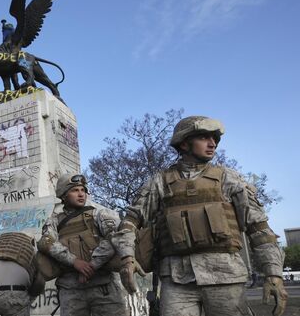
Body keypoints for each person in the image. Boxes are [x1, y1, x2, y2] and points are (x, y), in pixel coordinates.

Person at [114, 116, 288, 316]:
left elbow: (259, 228)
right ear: (185, 143)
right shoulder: (160, 182)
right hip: (176, 280)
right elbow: (131, 221)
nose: (212, 143)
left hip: (225, 277)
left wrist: (274, 273)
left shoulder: (228, 178)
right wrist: (127, 257)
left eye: (214, 139)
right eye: (204, 137)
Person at [37, 173, 129, 316]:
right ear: (63, 195)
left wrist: (91, 265)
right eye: (75, 190)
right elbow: (46, 242)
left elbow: (114, 238)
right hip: (70, 290)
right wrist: (74, 262)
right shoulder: (54, 221)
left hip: (104, 287)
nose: (81, 194)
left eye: (83, 190)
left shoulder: (99, 214)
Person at [0, 232, 46, 316]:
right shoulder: (30, 253)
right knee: (22, 304)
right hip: (13, 298)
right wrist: (29, 299)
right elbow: (39, 284)